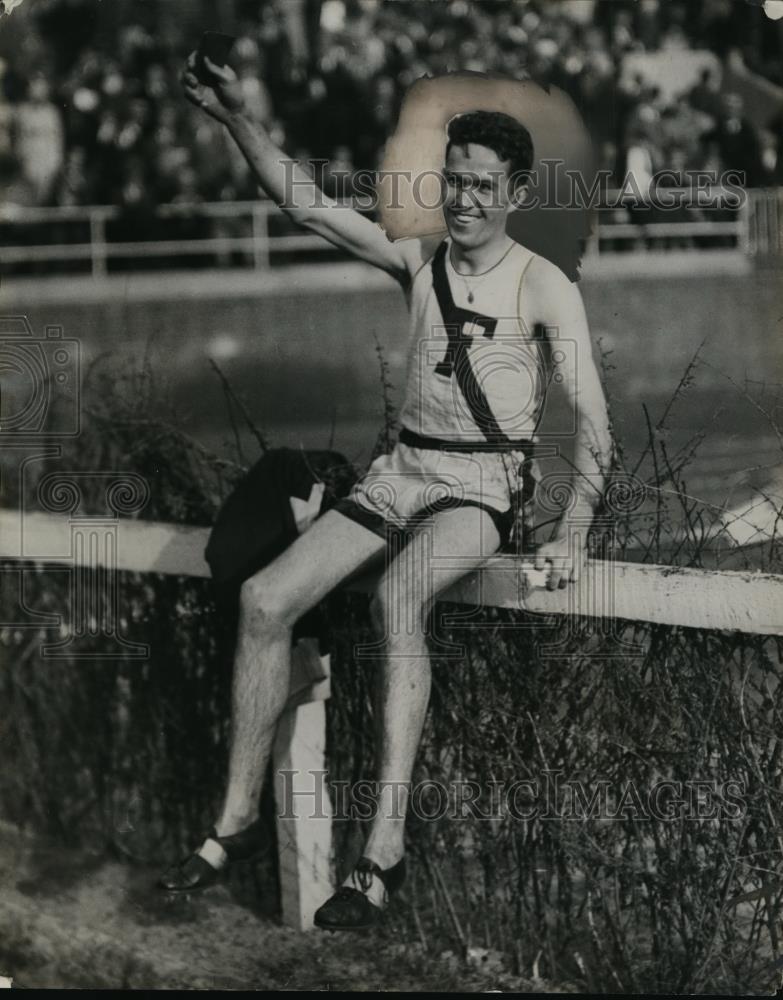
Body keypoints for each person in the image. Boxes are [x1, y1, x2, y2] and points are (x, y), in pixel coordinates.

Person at [157, 51, 613, 931]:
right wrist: (237, 119)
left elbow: (594, 425)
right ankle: (236, 823)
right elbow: (305, 206)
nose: (464, 200)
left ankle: (379, 857)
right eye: (454, 183)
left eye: (483, 186)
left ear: (514, 194)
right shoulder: (417, 261)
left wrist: (575, 529)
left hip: (479, 489)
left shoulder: (545, 287)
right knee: (261, 601)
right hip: (400, 474)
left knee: (399, 598)